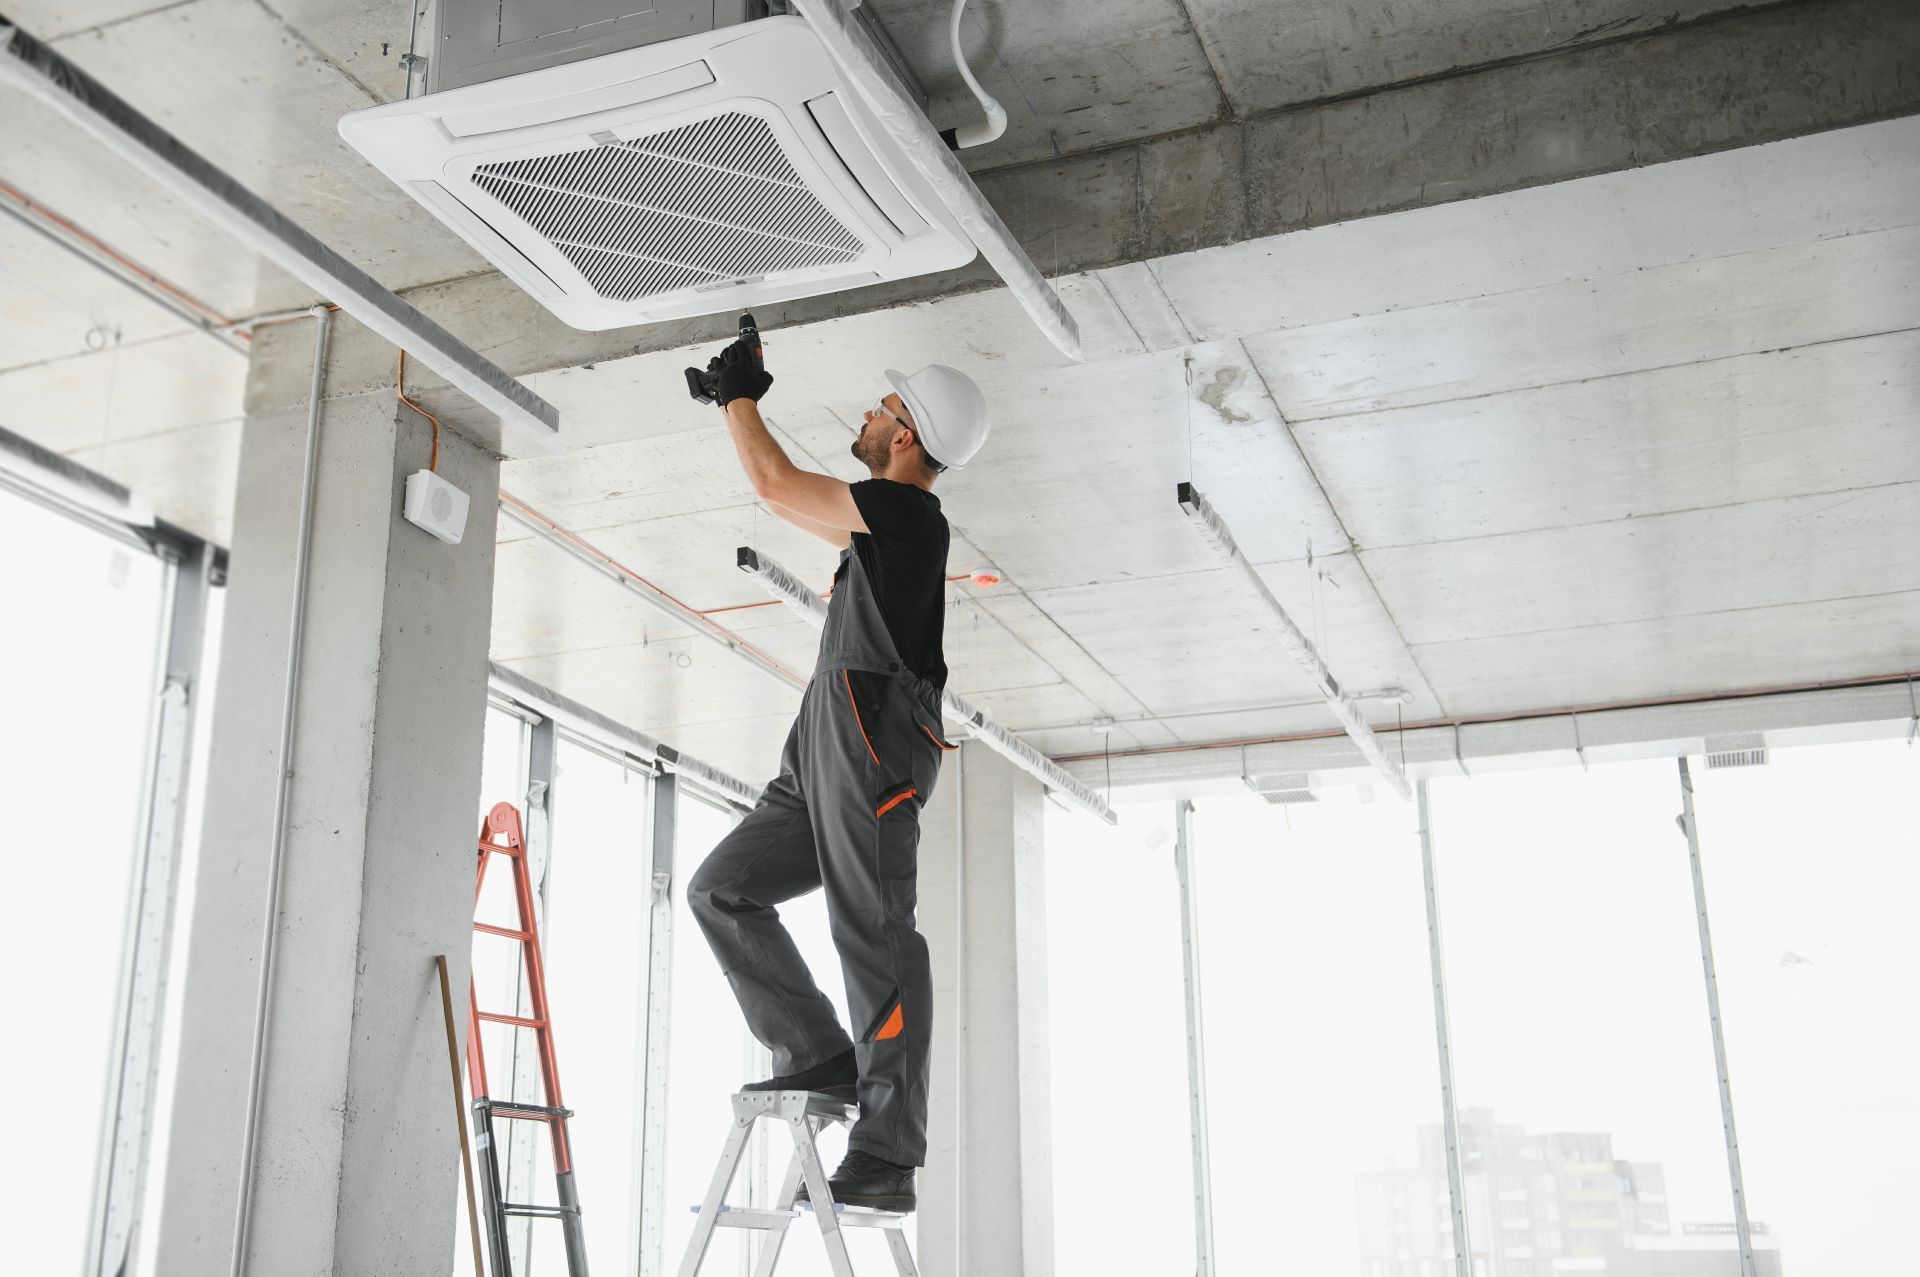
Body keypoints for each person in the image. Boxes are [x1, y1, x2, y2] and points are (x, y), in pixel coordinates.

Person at [684, 334, 990, 1213]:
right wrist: (733, 410)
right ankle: (818, 1050)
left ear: (904, 438)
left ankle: (889, 1152)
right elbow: (789, 502)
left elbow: (776, 484)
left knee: (876, 931)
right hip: (821, 746)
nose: (867, 413)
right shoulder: (879, 527)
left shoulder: (910, 517)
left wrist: (742, 397)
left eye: (880, 408)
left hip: (870, 744)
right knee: (723, 890)